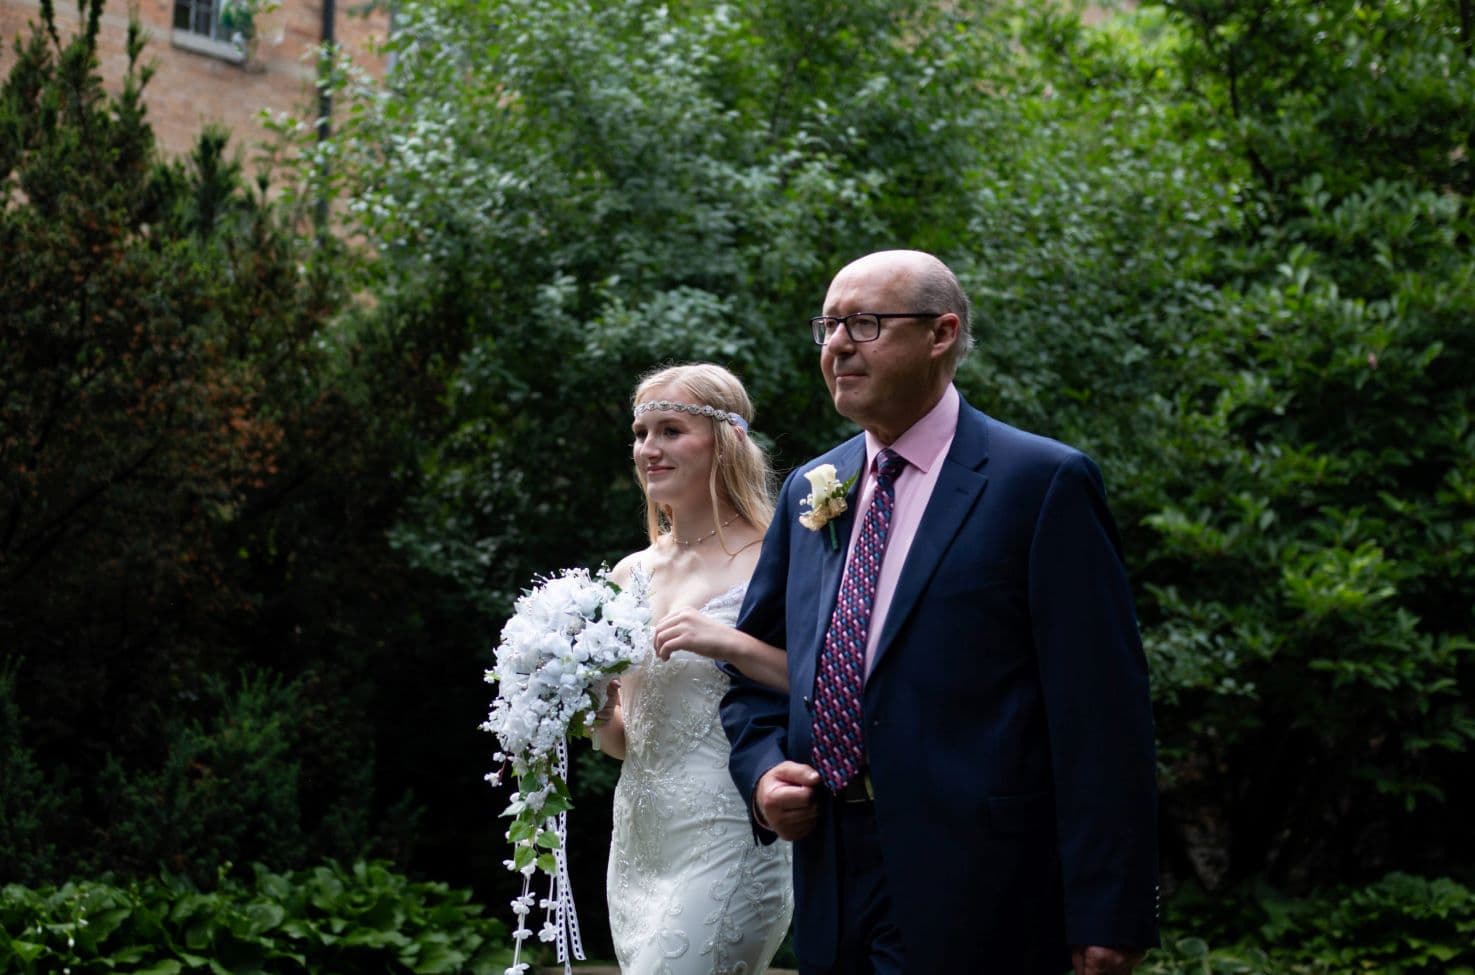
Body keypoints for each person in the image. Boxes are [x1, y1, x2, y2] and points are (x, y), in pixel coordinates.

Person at [720, 250, 1160, 975]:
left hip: (984, 880)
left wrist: (1109, 908)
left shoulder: (1039, 483)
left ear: (941, 333)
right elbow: (753, 674)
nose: (836, 345)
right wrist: (765, 773)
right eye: (827, 326)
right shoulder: (811, 487)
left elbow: (1101, 713)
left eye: (863, 323)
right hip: (830, 870)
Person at [595, 362, 795, 974]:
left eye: (671, 430)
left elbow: (827, 686)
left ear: (725, 439)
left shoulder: (777, 555)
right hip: (639, 843)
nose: (648, 449)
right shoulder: (629, 575)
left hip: (730, 832)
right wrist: (596, 710)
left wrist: (729, 642)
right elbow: (623, 743)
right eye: (640, 433)